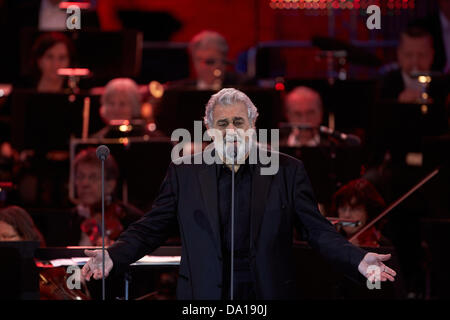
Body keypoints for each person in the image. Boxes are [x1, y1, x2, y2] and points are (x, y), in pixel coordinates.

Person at [82, 88, 396, 300]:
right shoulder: (185, 172)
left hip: (266, 293)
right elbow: (151, 228)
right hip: (203, 296)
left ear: (253, 124)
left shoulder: (287, 171)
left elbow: (318, 231)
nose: (231, 131)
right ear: (207, 129)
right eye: (222, 124)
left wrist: (357, 259)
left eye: (238, 122)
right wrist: (114, 254)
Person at [70, 148, 143, 246]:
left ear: (110, 185)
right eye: (80, 176)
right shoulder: (67, 220)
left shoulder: (132, 220)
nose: (85, 183)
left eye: (93, 177)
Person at [167, 30, 250, 90]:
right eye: (210, 62)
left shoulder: (241, 87)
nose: (217, 67)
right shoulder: (179, 90)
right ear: (194, 62)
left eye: (222, 62)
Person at [91, 78, 165, 139]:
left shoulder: (151, 139)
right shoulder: (95, 140)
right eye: (111, 103)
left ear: (134, 106)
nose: (116, 109)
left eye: (122, 104)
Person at [380, 26, 436, 104]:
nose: (415, 62)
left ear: (432, 55)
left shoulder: (443, 86)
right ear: (399, 55)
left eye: (422, 55)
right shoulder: (384, 86)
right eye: (408, 55)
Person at [330, 179, 391, 248]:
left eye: (355, 209)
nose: (347, 215)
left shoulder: (382, 245)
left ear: (368, 212)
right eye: (343, 208)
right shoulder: (332, 239)